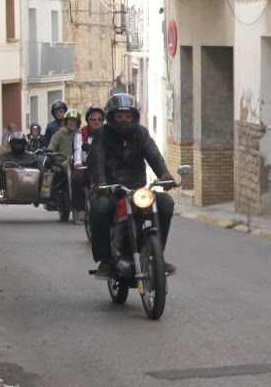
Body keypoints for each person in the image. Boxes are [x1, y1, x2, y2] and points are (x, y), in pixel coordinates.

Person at [88, 93, 177, 277]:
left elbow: (153, 154)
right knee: (100, 207)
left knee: (165, 203)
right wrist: (101, 183)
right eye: (119, 117)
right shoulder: (102, 134)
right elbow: (96, 159)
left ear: (134, 116)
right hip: (110, 190)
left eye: (128, 116)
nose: (124, 120)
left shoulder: (141, 133)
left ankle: (157, 255)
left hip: (137, 190)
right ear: (111, 117)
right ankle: (104, 260)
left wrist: (165, 174)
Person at [47, 109, 81, 217]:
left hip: (76, 162)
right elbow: (52, 144)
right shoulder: (60, 133)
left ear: (78, 122)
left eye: (74, 121)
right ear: (66, 121)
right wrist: (51, 150)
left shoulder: (79, 134)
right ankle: (50, 196)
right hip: (61, 162)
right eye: (70, 121)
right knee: (50, 174)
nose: (72, 123)